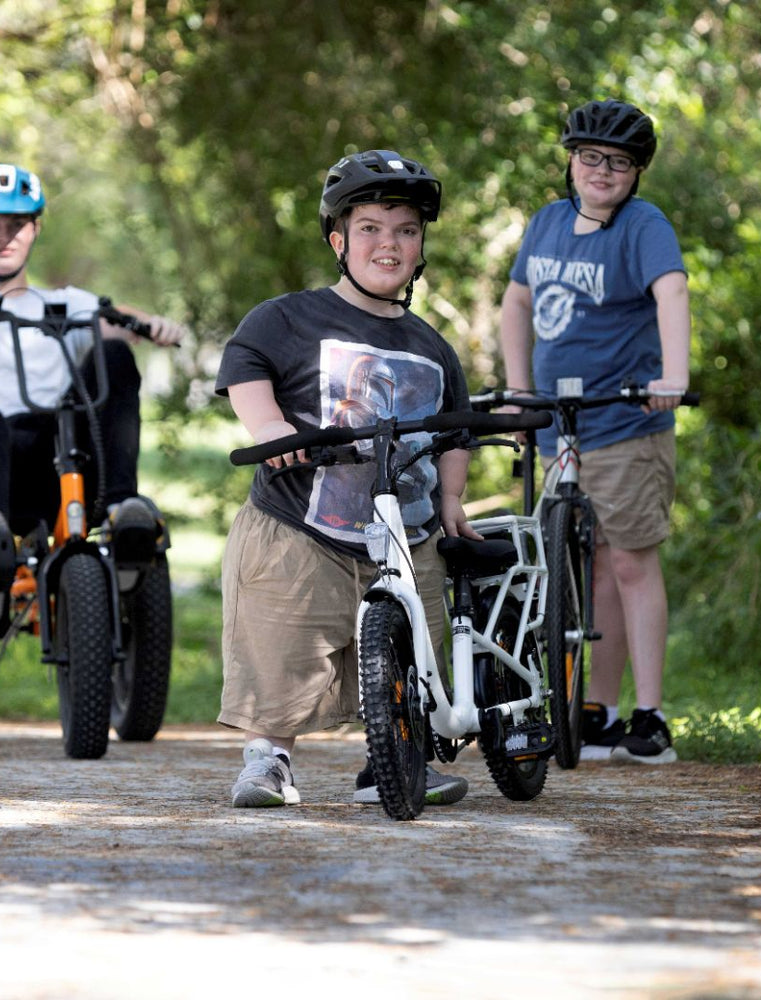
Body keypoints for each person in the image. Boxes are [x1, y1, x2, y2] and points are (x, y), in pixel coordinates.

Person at [215, 149, 478, 808]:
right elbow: (243, 362)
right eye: (371, 228)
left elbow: (457, 427)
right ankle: (269, 761)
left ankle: (391, 758)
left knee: (417, 646)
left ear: (420, 250)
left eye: (406, 231)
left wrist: (451, 498)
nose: (389, 243)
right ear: (339, 239)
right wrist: (271, 429)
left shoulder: (432, 344)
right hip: (303, 524)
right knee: (283, 644)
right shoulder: (288, 318)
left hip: (403, 529)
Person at [0, 163, 185, 634]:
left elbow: (115, 318)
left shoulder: (62, 305)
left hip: (53, 465)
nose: (4, 237)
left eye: (17, 225)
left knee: (115, 356)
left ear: (35, 228)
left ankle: (122, 506)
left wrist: (151, 324)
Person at [500, 99, 691, 764]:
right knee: (590, 569)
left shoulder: (643, 225)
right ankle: (599, 711)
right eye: (590, 158)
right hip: (560, 427)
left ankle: (650, 715)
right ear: (571, 162)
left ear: (637, 172)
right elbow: (518, 302)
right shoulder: (549, 222)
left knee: (632, 561)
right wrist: (521, 391)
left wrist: (674, 375)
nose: (602, 171)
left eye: (618, 162)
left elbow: (671, 292)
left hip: (624, 422)